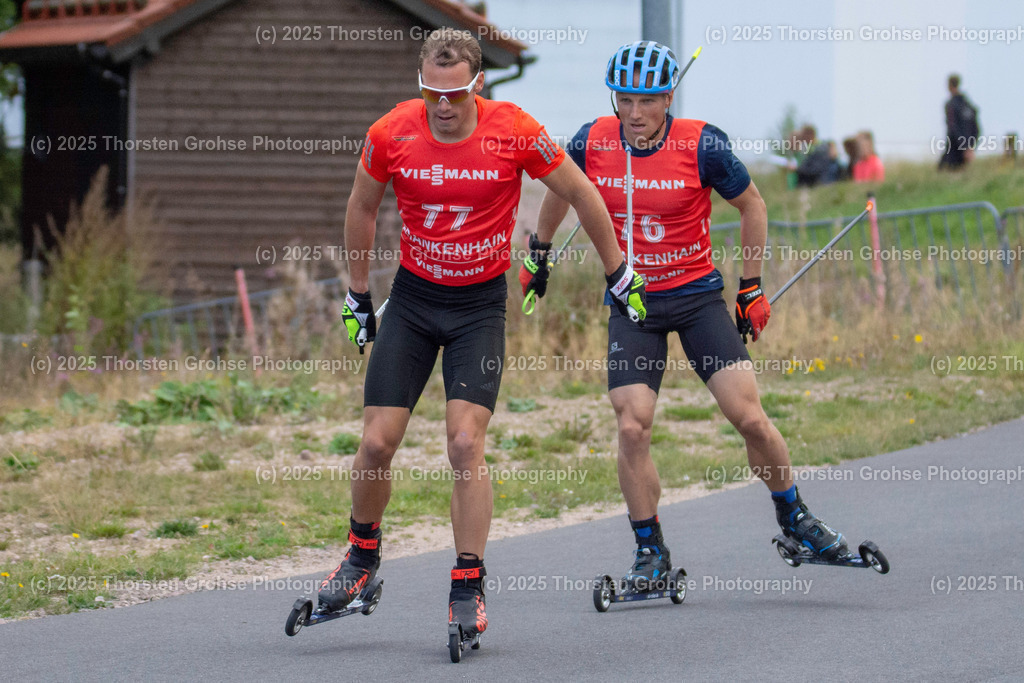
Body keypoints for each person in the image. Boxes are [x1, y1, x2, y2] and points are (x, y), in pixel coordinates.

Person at [320, 28, 647, 643]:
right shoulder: (391, 131)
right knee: (375, 443)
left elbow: (581, 191)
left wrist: (618, 269)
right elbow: (362, 206)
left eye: (456, 94)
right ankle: (362, 559)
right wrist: (358, 293)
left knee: (465, 444)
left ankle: (467, 584)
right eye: (430, 93)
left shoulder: (514, 129)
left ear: (478, 84)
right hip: (414, 302)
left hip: (477, 308)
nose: (442, 107)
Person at [529, 40, 851, 592]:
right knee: (632, 425)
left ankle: (795, 516)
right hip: (632, 301)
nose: (633, 113)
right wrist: (539, 251)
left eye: (647, 100)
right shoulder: (592, 140)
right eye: (624, 99)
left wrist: (750, 288)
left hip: (697, 294)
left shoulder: (702, 144)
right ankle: (649, 549)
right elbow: (563, 189)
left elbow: (752, 204)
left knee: (748, 417)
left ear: (668, 96)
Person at [938, 73, 980, 170]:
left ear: (949, 86)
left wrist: (965, 147)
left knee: (943, 173)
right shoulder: (969, 106)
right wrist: (970, 147)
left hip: (954, 151)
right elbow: (976, 129)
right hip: (967, 150)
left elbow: (953, 128)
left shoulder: (951, 105)